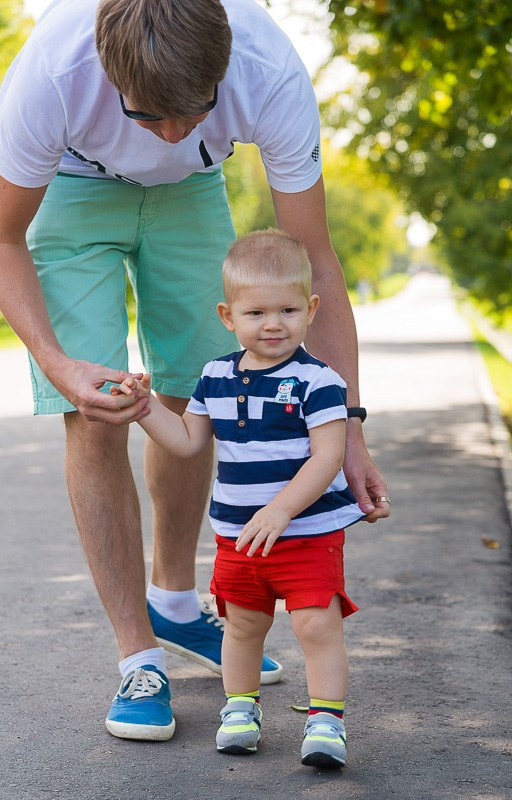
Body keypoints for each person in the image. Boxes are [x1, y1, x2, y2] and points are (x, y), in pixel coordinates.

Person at [0, 0, 389, 741]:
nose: (171, 134)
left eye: (193, 111)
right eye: (150, 118)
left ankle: (175, 603)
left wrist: (355, 434)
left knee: (199, 395)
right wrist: (56, 365)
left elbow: (318, 264)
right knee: (99, 407)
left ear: (223, 70)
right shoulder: (50, 74)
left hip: (191, 192)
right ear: (110, 78)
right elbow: (3, 238)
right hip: (72, 188)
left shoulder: (268, 71)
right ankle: (137, 657)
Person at [112, 229, 388, 766]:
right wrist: (146, 409)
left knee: (315, 623)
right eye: (257, 312)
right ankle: (240, 709)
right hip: (238, 535)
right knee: (242, 626)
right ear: (227, 316)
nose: (273, 324)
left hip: (306, 532)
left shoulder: (319, 380)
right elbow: (189, 443)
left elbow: (328, 456)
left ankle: (326, 720)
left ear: (310, 309)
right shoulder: (215, 377)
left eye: (287, 309)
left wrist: (283, 508)